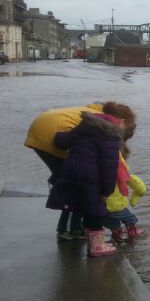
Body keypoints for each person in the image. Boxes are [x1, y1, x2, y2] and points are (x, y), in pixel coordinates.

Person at [25, 101, 136, 240]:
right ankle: (70, 230)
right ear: (122, 121)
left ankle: (75, 227)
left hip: (42, 129)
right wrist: (106, 190)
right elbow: (110, 164)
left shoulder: (93, 117)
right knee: (78, 188)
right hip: (50, 134)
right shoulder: (104, 126)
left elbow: (64, 140)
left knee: (74, 183)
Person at [46, 111, 126, 256]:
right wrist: (106, 192)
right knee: (96, 211)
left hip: (71, 170)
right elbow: (109, 168)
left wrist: (58, 133)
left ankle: (87, 241)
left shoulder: (83, 128)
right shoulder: (111, 137)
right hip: (92, 177)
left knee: (76, 204)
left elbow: (61, 142)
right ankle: (96, 247)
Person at [104, 143, 147, 241]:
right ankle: (132, 232)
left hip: (102, 205)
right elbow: (138, 185)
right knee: (130, 219)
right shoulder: (121, 171)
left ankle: (116, 233)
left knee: (112, 222)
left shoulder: (100, 168)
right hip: (117, 205)